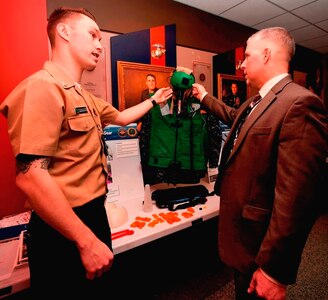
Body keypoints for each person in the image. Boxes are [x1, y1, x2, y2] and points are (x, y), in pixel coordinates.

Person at [0, 7, 172, 298]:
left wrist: (154, 100)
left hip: (91, 216)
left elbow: (121, 117)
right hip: (64, 228)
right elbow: (30, 176)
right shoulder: (42, 87)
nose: (99, 44)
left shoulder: (82, 95)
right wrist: (86, 242)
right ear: (64, 32)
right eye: (92, 35)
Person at [192, 27, 327, 300]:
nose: (241, 64)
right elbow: (234, 117)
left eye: (247, 56)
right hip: (245, 242)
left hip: (262, 248)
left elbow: (298, 199)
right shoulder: (257, 101)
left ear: (266, 55)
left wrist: (274, 270)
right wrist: (203, 97)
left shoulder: (300, 103)